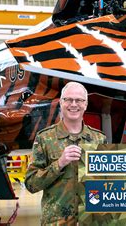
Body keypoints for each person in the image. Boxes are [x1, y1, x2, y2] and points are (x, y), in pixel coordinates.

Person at [25, 81, 107, 225]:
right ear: (61, 103)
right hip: (57, 222)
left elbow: (110, 182)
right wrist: (59, 163)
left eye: (79, 100)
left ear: (86, 104)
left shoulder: (99, 139)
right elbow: (31, 185)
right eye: (68, 99)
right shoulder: (45, 138)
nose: (73, 104)